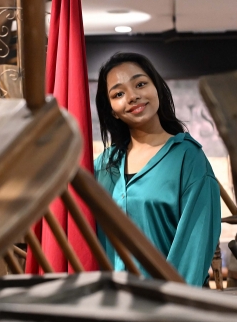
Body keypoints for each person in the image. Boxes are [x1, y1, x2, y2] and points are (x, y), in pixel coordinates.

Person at [94, 52, 221, 286]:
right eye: (119, 93)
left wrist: (171, 305)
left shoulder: (188, 158)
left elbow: (195, 245)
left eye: (140, 84)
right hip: (110, 306)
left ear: (157, 89)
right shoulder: (102, 166)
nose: (132, 96)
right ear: (112, 109)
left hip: (167, 307)